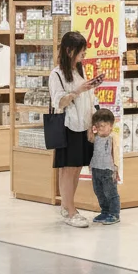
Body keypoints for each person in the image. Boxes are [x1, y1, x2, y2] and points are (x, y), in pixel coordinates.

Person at [49, 31, 96, 228]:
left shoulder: (79, 70)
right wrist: (78, 91)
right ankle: (70, 210)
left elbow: (89, 99)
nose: (83, 55)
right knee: (68, 169)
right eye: (81, 51)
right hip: (68, 126)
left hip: (83, 124)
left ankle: (68, 206)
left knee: (76, 168)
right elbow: (59, 102)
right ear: (69, 51)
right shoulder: (57, 74)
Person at [87, 108, 122, 225]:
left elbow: (116, 153)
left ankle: (114, 213)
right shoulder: (95, 137)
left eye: (103, 125)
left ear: (111, 126)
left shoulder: (113, 138)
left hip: (108, 169)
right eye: (98, 126)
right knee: (98, 191)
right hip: (96, 168)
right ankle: (105, 211)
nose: (100, 128)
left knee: (110, 192)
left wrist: (116, 167)